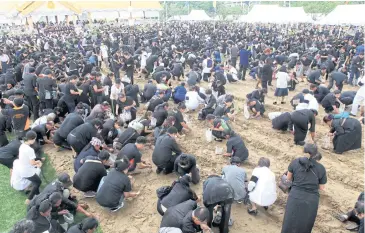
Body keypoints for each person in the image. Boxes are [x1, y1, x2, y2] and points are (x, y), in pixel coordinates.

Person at [281, 144, 327, 233]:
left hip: (295, 196)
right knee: (305, 223)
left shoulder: (295, 162)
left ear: (304, 152)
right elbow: (321, 188)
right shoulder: (321, 168)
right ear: (315, 153)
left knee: (290, 220)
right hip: (311, 199)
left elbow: (288, 179)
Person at [18, 131, 42, 204]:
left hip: (22, 168)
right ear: (32, 139)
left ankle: (38, 195)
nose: (34, 141)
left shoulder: (22, 146)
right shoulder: (30, 150)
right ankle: (29, 199)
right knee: (38, 182)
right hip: (27, 171)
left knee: (35, 182)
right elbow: (32, 163)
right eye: (34, 139)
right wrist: (38, 163)